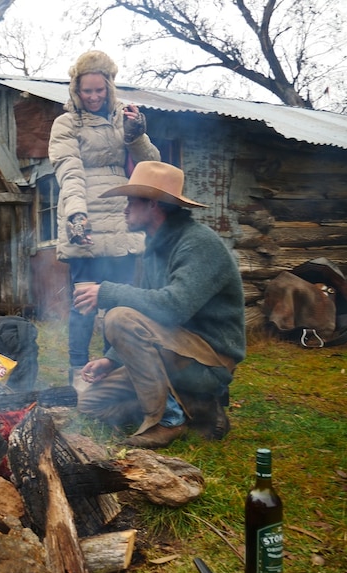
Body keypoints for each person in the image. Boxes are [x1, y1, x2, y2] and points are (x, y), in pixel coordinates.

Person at [72, 161, 246, 448]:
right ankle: (195, 406)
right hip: (170, 348)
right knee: (89, 403)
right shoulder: (154, 248)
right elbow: (145, 313)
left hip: (209, 359)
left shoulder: (199, 243)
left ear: (153, 204)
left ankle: (169, 419)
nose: (125, 209)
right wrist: (111, 359)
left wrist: (107, 292)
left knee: (117, 317)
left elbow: (174, 307)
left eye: (131, 201)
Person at [47, 50, 161, 386]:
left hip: (121, 217)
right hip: (84, 219)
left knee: (118, 302)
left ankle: (113, 372)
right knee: (84, 303)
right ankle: (77, 376)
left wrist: (136, 134)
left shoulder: (121, 118)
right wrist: (76, 214)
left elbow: (150, 165)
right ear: (76, 91)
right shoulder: (66, 124)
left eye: (99, 90)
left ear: (109, 87)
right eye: (87, 91)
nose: (94, 96)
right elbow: (69, 171)